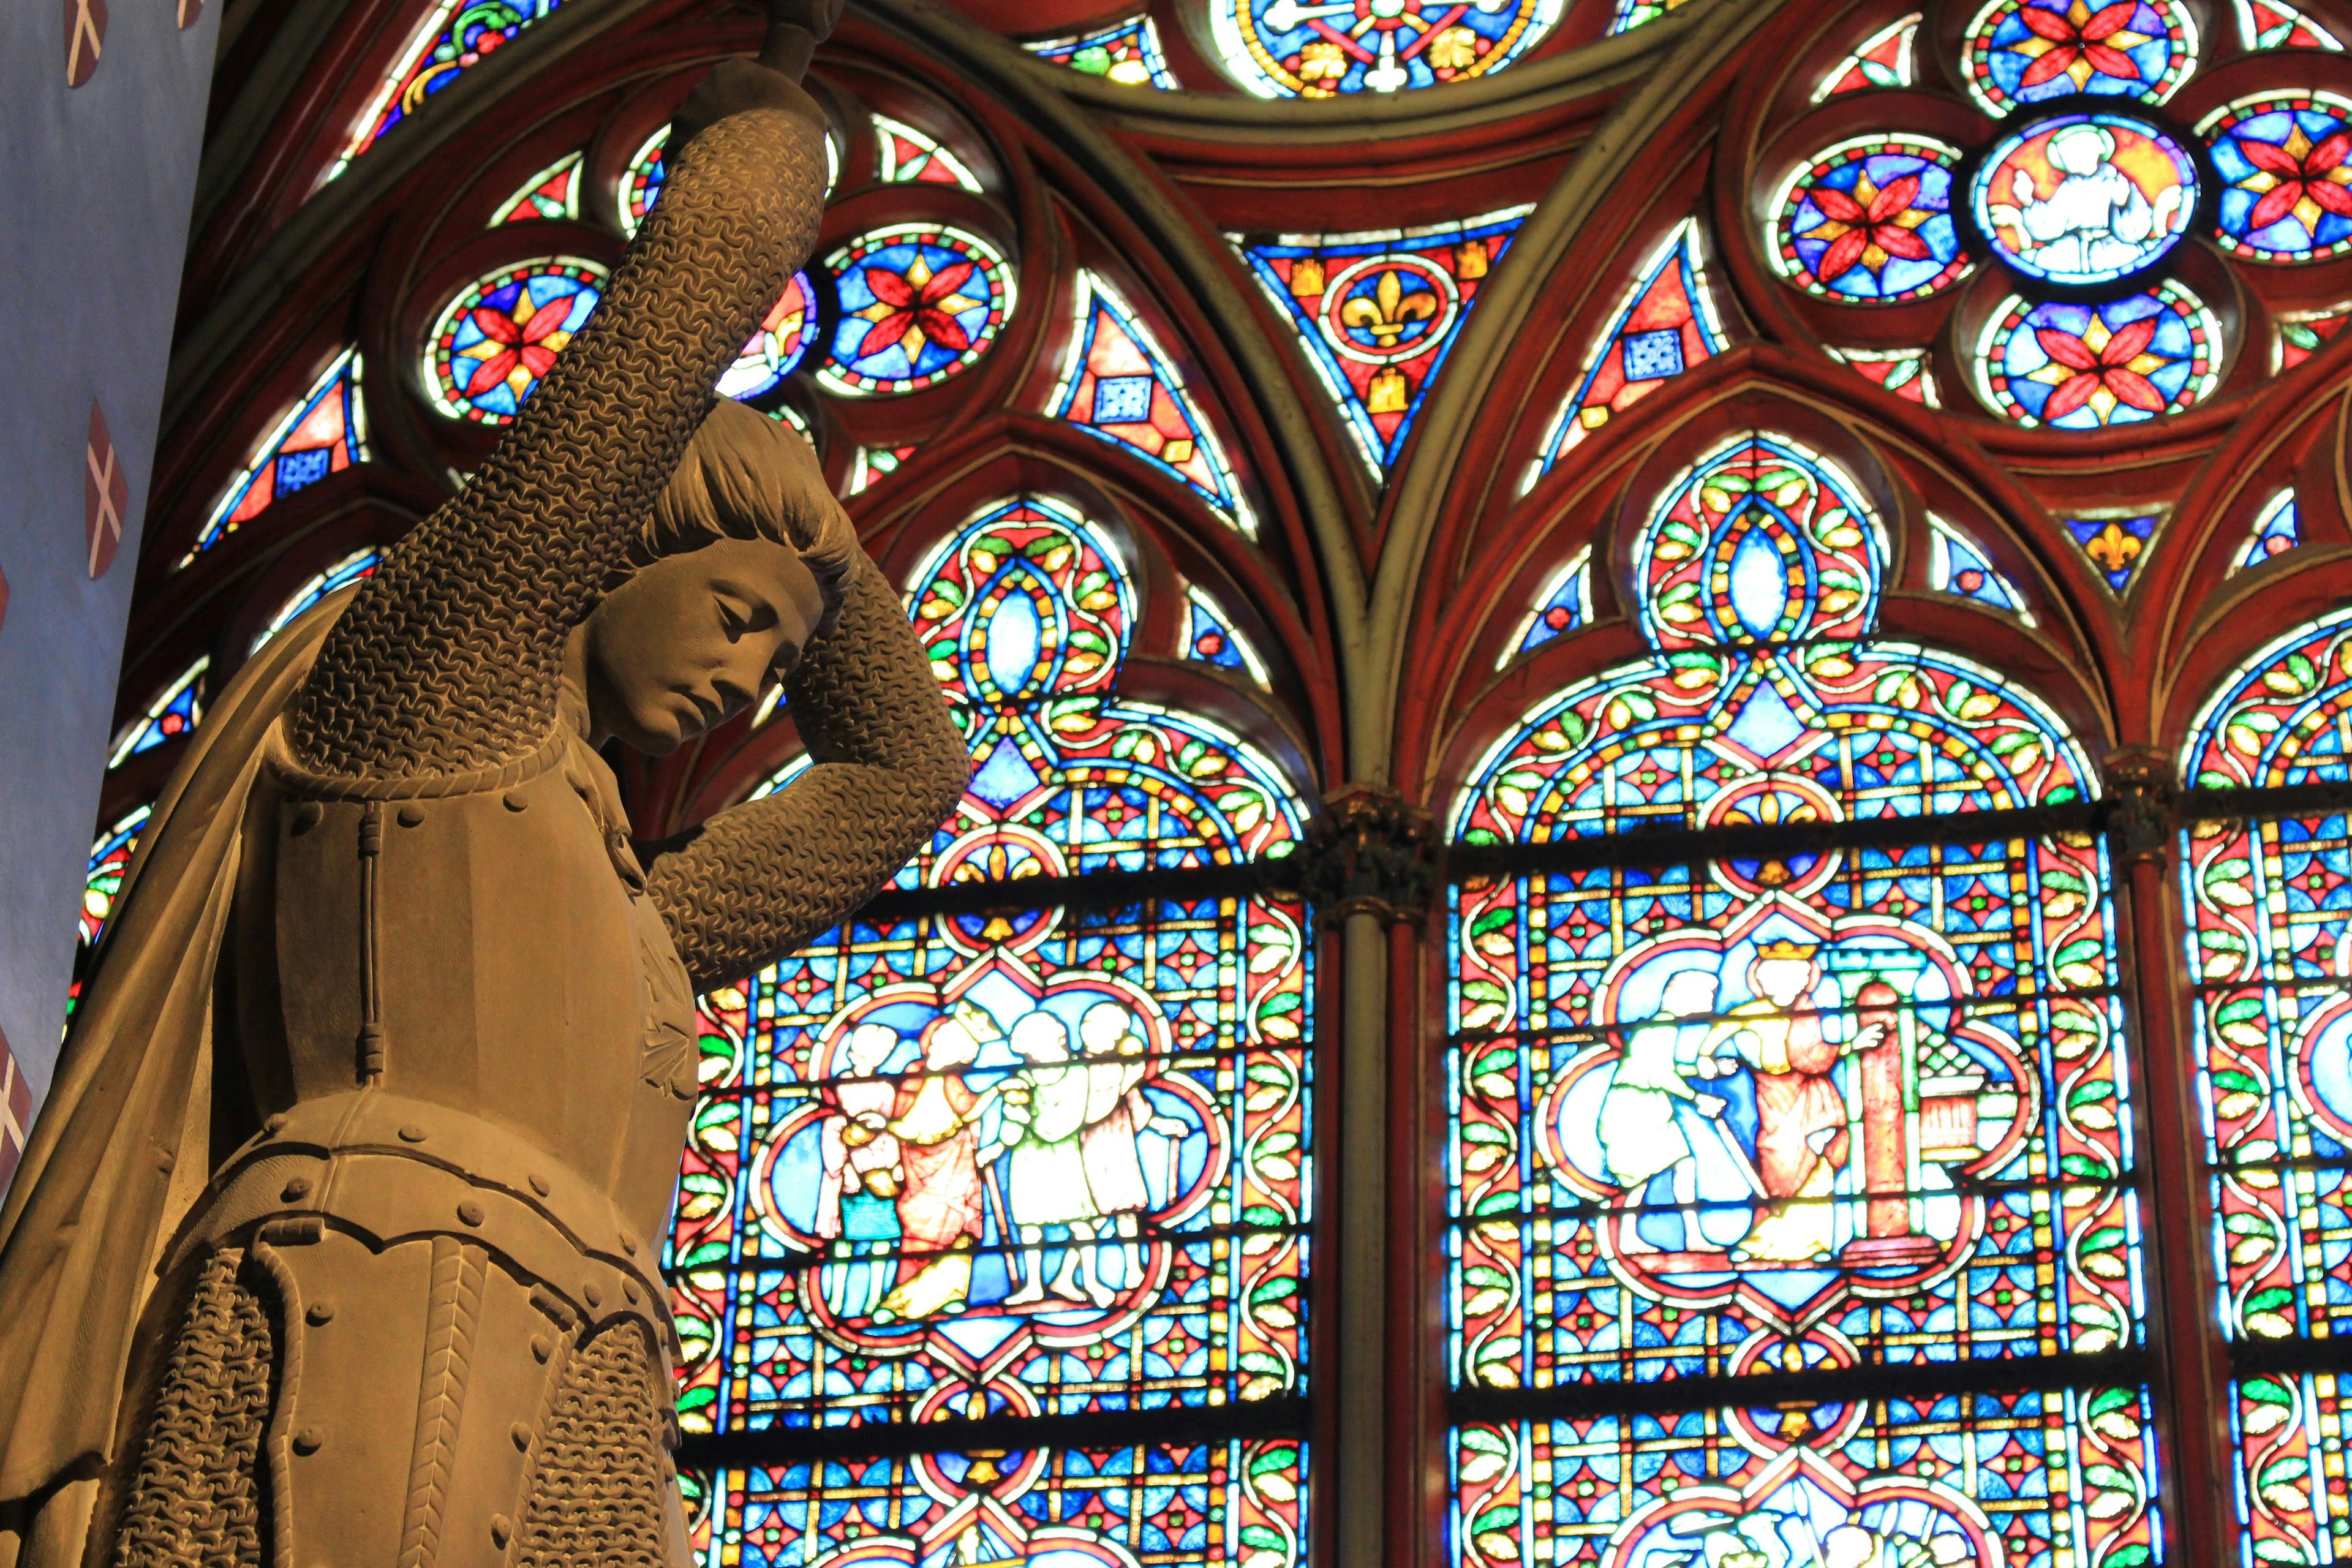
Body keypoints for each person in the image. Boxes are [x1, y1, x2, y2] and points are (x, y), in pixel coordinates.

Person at [0, 4, 972, 1562]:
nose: (740, 680)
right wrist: (771, 148)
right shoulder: (435, 694)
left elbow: (905, 769)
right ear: (615, 549)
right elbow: (661, 345)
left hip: (589, 1369)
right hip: (350, 1325)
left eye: (769, 664)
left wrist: (810, 562)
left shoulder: (636, 915)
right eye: (729, 616)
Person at [1716, 942, 1883, 1262]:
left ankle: (1814, 1244)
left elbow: (1812, 1058)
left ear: (1805, 982)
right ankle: (1763, 1243)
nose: (1785, 988)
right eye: (1775, 981)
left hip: (1810, 1102)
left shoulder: (1807, 1015)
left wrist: (1849, 1046)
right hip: (1771, 1099)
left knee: (1817, 1167)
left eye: (1793, 980)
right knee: (1774, 1163)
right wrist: (1712, 1063)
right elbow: (1709, 1046)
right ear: (1761, 982)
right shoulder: (1747, 1015)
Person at [875, 1003, 1001, 1322]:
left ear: (964, 1054)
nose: (938, 1044)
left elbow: (968, 1112)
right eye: (940, 1038)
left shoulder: (953, 1081)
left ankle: (951, 1296)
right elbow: (899, 1118)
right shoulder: (912, 1075)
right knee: (917, 1225)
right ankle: (900, 1298)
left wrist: (996, 1091)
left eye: (951, 1043)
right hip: (916, 1168)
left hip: (954, 1168)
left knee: (955, 1226)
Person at [998, 1011, 1114, 1307]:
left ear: (1055, 1038)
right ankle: (1033, 1286)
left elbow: (1064, 1122)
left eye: (1032, 1045)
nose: (1030, 1053)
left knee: (1080, 1222)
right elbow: (1011, 1126)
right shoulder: (1022, 1078)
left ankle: (1091, 1280)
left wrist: (1027, 1117)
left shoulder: (1077, 1072)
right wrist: (1008, 1130)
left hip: (1063, 1159)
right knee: (1029, 1226)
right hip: (1026, 1160)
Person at [1076, 1001, 1186, 1289]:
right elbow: (1088, 1111)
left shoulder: (1119, 1067)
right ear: (1088, 1032)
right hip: (1089, 1150)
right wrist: (1124, 1083)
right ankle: (1071, 1276)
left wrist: (1163, 1124)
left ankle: (1133, 1268)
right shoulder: (1076, 1069)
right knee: (1093, 1217)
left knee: (1128, 1209)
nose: (1118, 1038)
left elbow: (1138, 1108)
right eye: (1113, 1031)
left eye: (1121, 1032)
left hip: (1120, 1146)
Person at [1987, 121, 2183, 279]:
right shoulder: (2068, 188)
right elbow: (2049, 228)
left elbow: (2136, 231)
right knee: (2044, 260)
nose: (2070, 158)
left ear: (2097, 149)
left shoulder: (2117, 181)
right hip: (2069, 252)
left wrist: (2124, 204)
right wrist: (2028, 200)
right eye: (2066, 155)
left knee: (2131, 259)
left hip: (2111, 249)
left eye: (2076, 150)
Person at [816, 1024, 906, 1319]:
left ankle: (875, 1300)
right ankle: (838, 1300)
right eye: (881, 1049)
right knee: (846, 1242)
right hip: (852, 1169)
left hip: (881, 1169)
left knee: (882, 1241)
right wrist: (849, 1170)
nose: (884, 1055)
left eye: (888, 1051)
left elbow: (888, 1129)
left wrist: (896, 1167)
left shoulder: (886, 1087)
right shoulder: (844, 1083)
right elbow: (847, 1126)